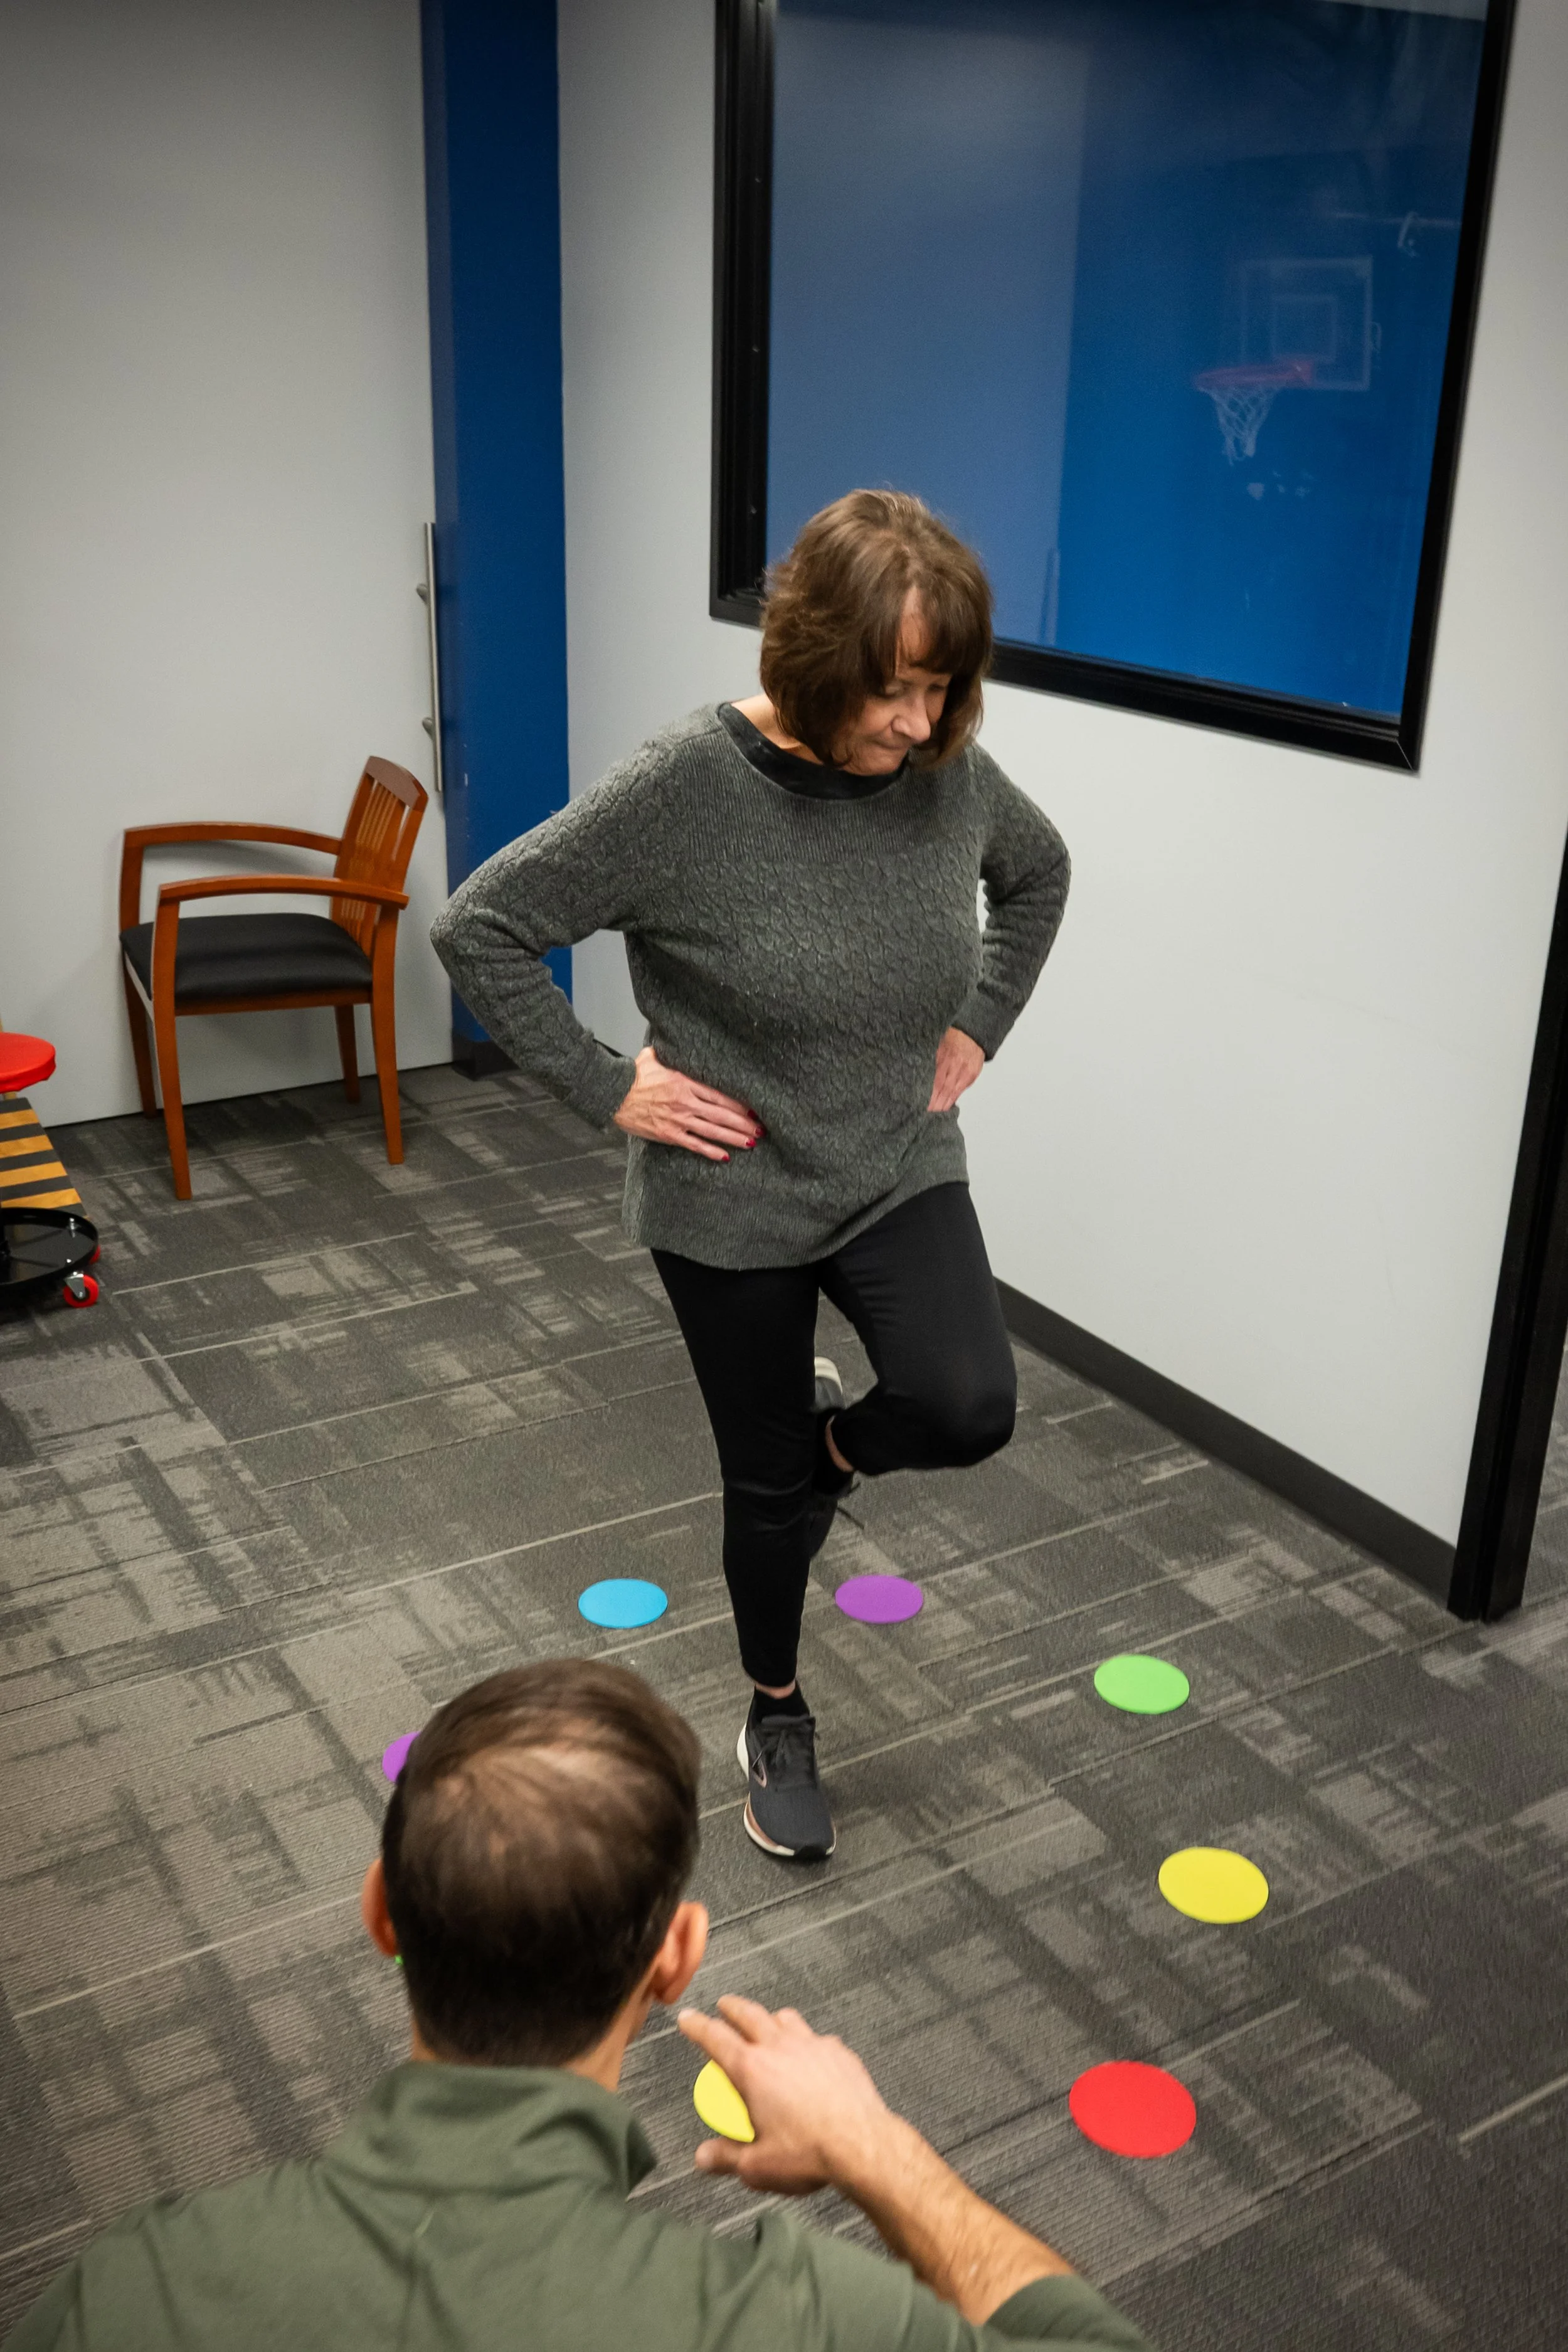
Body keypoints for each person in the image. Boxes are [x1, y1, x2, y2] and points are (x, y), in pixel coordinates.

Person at [432, 492, 1070, 1863]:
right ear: (816, 663)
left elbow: (1038, 875)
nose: (916, 723)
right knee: (758, 1483)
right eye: (891, 692)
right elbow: (479, 929)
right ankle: (776, 1707)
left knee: (966, 1402)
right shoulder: (685, 790)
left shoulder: (947, 770)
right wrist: (614, 1086)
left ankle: (830, 1449)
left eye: (941, 690)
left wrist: (977, 1024)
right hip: (732, 1187)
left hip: (896, 1152)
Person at [3, 1662, 1150, 2352]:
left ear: (380, 1912)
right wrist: (878, 2151)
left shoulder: (120, 2292)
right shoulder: (801, 2320)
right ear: (677, 1957)